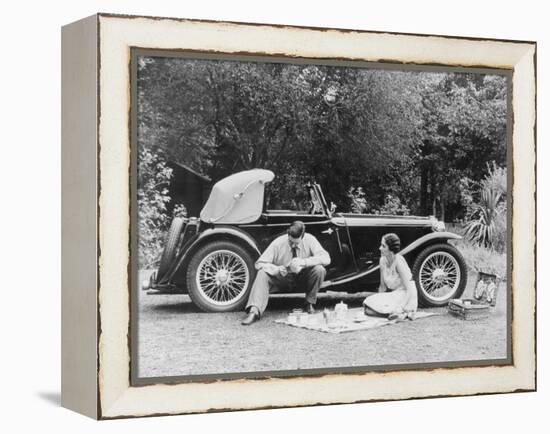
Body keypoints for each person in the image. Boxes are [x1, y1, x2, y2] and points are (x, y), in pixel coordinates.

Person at [241, 221, 331, 325]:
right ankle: (254, 311)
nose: (293, 245)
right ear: (288, 234)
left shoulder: (310, 239)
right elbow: (259, 264)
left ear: (303, 236)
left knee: (319, 269)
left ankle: (309, 303)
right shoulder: (278, 242)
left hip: (303, 278)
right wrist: (277, 268)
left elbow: (326, 258)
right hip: (283, 278)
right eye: (290, 241)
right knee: (262, 273)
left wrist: (304, 262)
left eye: (296, 243)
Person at [363, 233, 418, 321]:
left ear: (391, 250)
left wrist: (401, 307)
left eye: (383, 246)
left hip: (407, 296)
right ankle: (395, 314)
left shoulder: (398, 262)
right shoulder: (382, 260)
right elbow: (382, 287)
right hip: (395, 294)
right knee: (367, 305)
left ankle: (400, 312)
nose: (380, 248)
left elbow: (409, 289)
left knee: (371, 310)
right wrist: (379, 300)